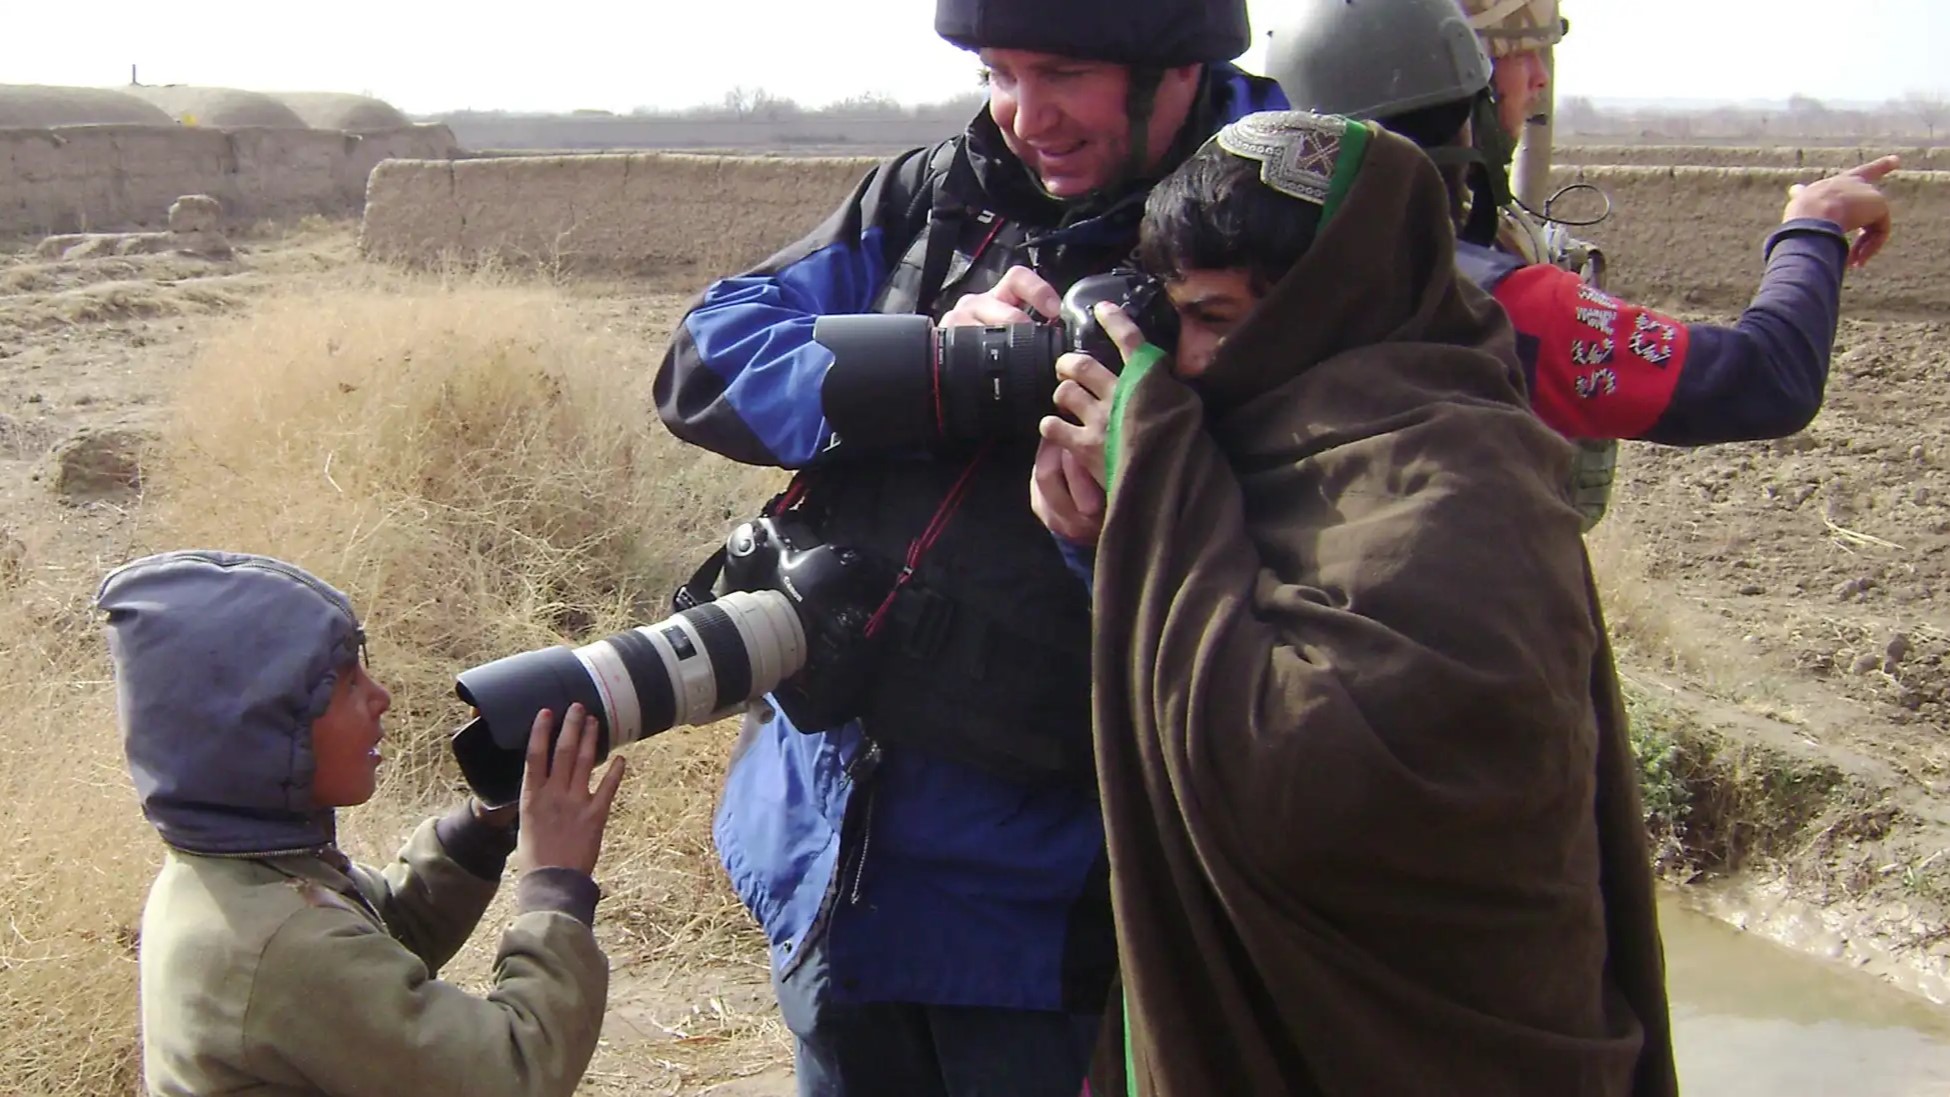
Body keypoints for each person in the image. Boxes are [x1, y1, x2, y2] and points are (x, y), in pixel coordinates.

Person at [650, 1, 1285, 1092]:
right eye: (999, 72)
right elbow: (703, 360)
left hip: (1044, 929)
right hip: (828, 871)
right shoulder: (939, 195)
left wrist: (1140, 485)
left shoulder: (1274, 240)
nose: (1025, 116)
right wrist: (928, 367)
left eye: (1064, 73)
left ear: (1178, 67)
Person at [1036, 109, 1677, 1096]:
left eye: (1220, 319)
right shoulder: (1257, 446)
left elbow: (1307, 781)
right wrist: (1108, 532)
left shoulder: (1465, 482)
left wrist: (1157, 472)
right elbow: (1212, 625)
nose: (1189, 362)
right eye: (1181, 318)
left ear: (1331, 306)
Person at [1264, 0, 1896, 527]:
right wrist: (1813, 225)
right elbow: (1765, 378)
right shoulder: (1504, 309)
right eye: (1509, 57)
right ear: (1468, 103)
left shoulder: (1241, 280)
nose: (1538, 79)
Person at [97, 549, 626, 1097]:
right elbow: (514, 1071)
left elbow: (384, 929)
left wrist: (484, 826)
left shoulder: (231, 874)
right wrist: (554, 886)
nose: (381, 697)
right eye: (347, 684)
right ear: (263, 730)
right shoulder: (283, 945)